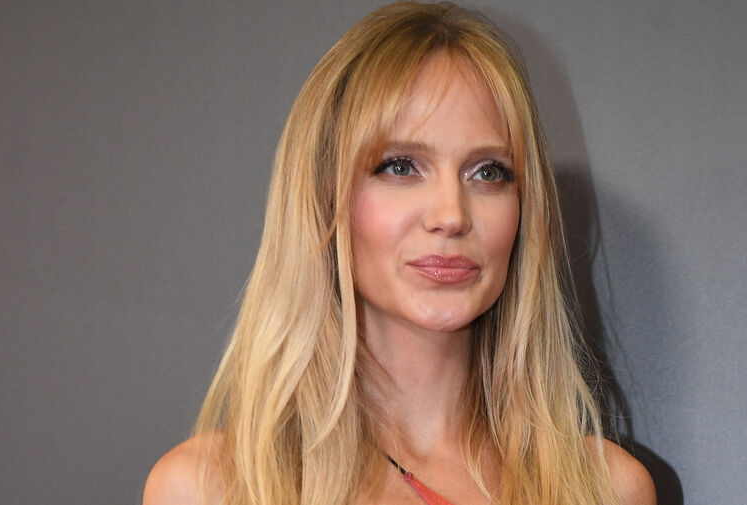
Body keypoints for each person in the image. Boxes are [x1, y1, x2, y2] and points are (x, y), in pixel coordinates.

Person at [143, 2, 655, 504]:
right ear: (325, 199)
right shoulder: (209, 489)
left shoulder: (605, 490)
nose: (451, 215)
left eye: (488, 172)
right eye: (401, 166)